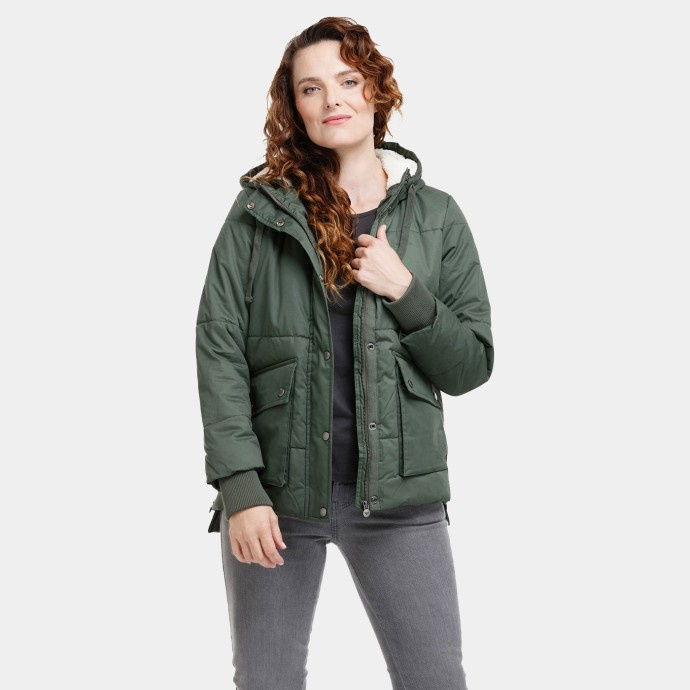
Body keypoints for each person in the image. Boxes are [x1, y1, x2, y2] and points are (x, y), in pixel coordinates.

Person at [195, 16, 494, 690]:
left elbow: (470, 365)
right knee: (266, 680)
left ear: (375, 90)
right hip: (275, 498)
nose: (332, 98)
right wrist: (240, 488)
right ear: (295, 107)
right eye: (311, 88)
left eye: (348, 80)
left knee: (434, 679)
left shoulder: (438, 217)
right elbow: (219, 351)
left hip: (399, 499)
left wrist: (405, 290)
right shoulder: (257, 215)